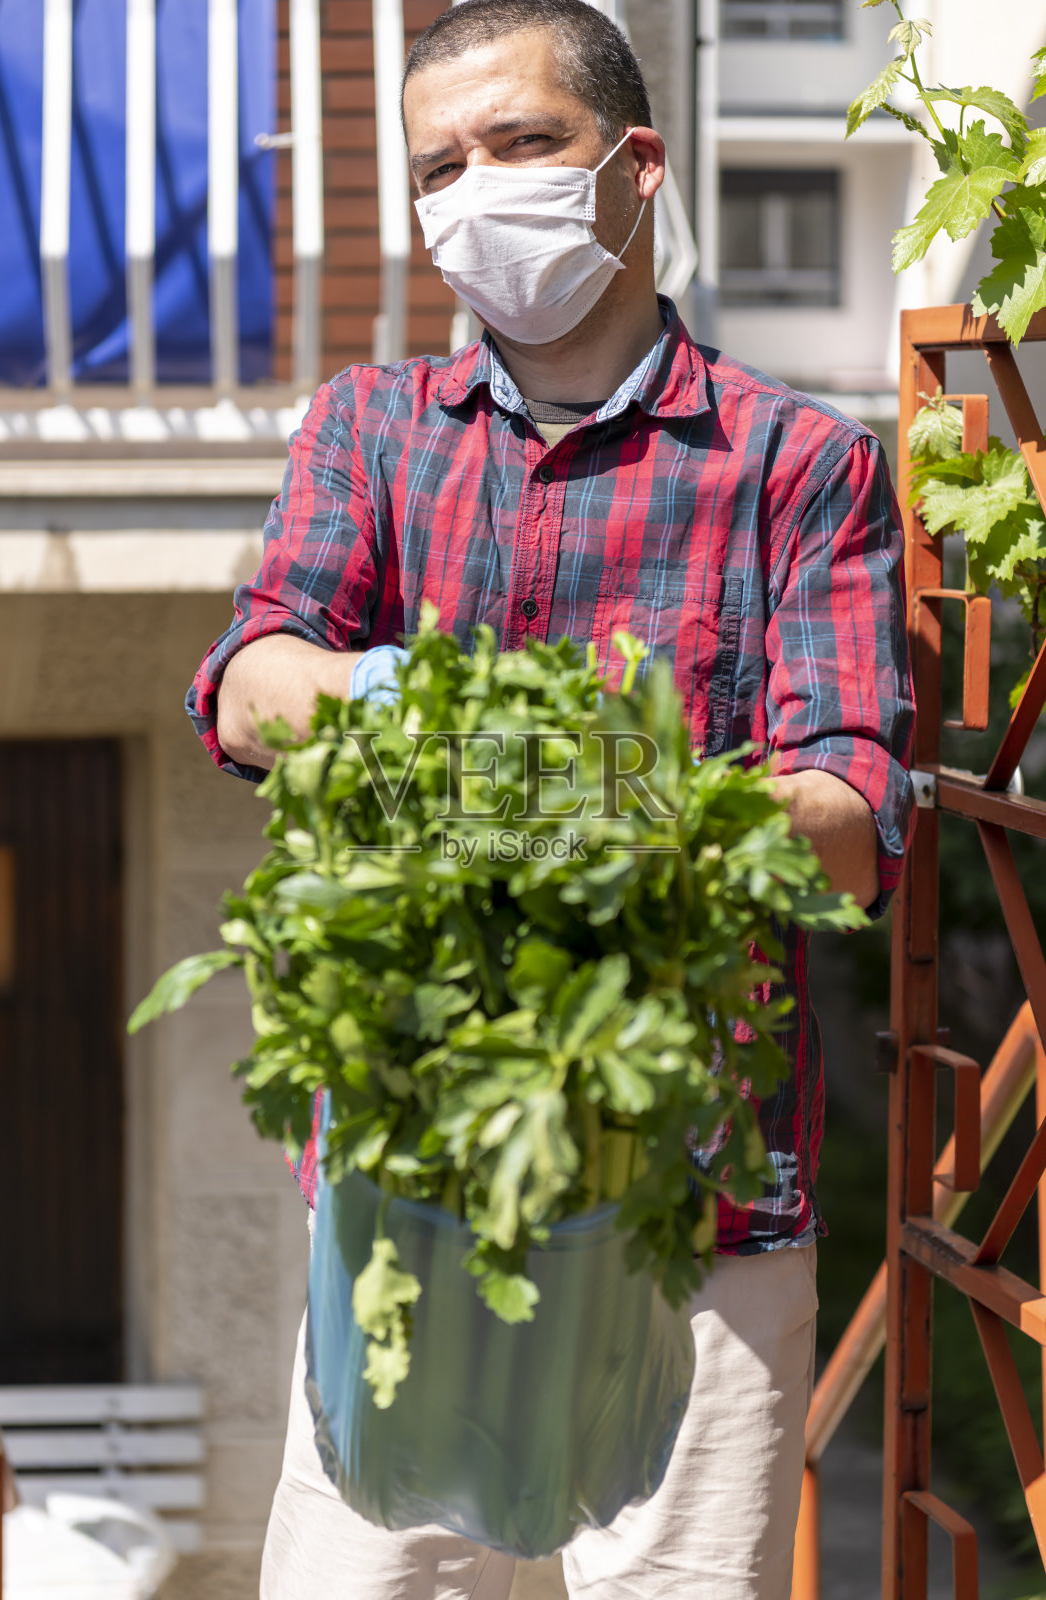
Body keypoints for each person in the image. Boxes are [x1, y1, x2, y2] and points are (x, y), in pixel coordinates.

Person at [187, 1, 915, 1594]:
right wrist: (420, 707)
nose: (477, 191)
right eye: (442, 165)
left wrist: (631, 796)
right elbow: (250, 686)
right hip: (409, 1195)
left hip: (698, 1212)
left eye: (522, 146)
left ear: (634, 165)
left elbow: (854, 815)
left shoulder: (800, 465)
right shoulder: (371, 432)